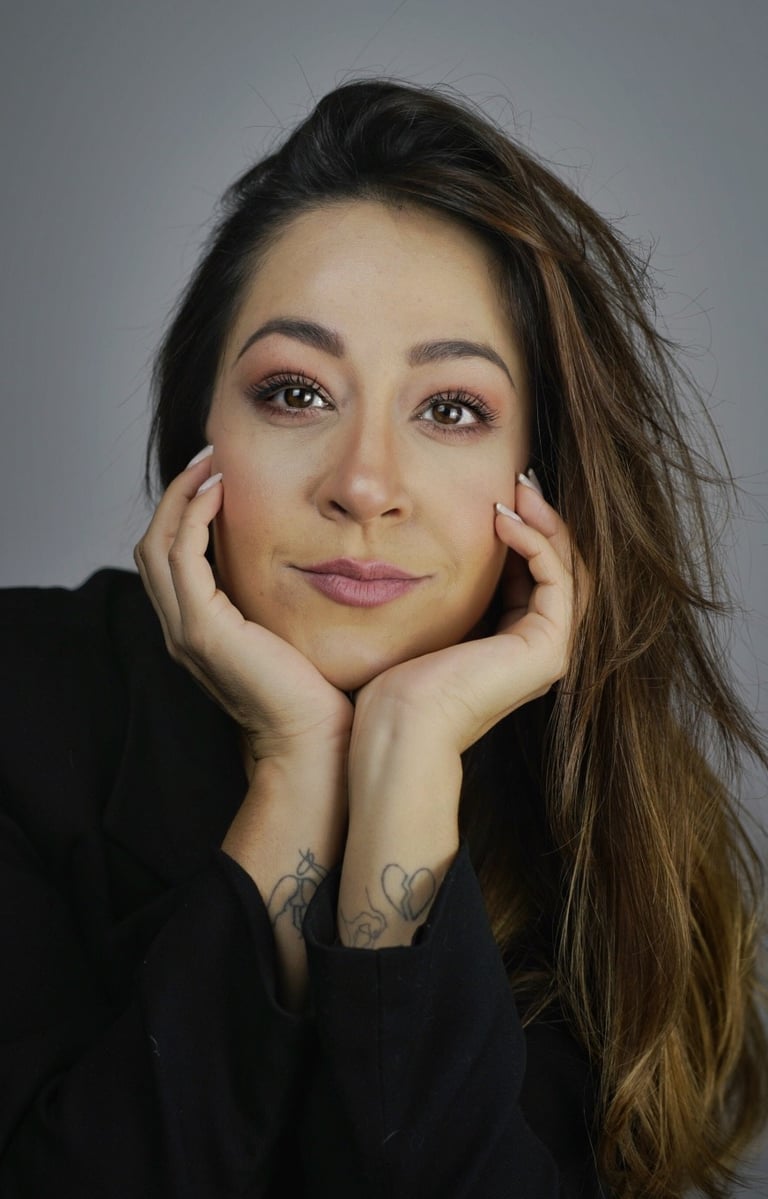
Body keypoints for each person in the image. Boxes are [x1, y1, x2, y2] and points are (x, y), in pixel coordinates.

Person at [0, 78, 765, 1199]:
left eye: (451, 409)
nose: (364, 484)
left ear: (541, 474)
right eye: (296, 392)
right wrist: (294, 769)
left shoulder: (605, 806)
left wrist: (406, 763)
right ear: (199, 435)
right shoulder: (22, 701)